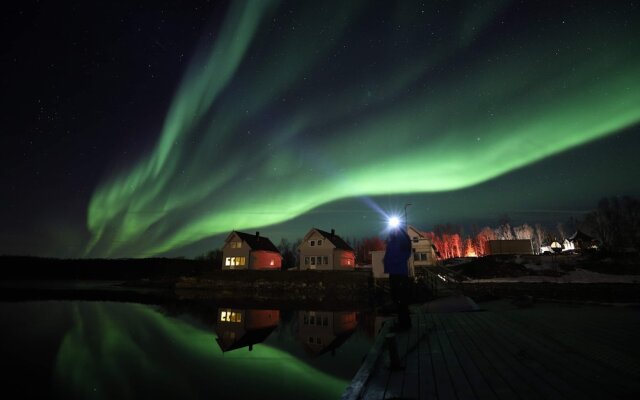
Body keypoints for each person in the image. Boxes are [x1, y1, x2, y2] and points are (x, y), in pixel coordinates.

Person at [383, 226, 412, 330]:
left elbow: (405, 255)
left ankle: (404, 324)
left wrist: (392, 262)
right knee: (397, 299)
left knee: (400, 299)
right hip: (395, 273)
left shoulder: (402, 242)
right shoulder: (394, 242)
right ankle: (403, 322)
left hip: (399, 274)